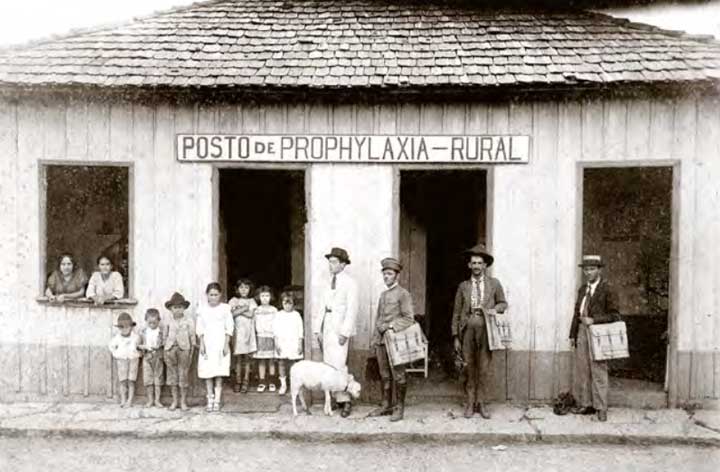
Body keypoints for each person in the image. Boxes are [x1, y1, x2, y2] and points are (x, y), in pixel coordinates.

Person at [452, 243, 508, 419]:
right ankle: (469, 403)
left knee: (483, 368)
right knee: (468, 367)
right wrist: (455, 336)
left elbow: (503, 303)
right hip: (467, 330)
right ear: (469, 265)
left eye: (479, 263)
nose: (476, 266)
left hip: (487, 331)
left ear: (485, 266)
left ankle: (481, 403)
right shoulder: (463, 286)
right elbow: (456, 312)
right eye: (473, 263)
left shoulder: (494, 284)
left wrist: (493, 310)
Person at [569, 255, 620, 422]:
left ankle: (601, 407)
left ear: (599, 270)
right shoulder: (583, 289)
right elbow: (577, 313)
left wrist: (594, 320)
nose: (588, 272)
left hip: (599, 332)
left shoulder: (607, 289)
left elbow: (615, 315)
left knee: (598, 370)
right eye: (586, 269)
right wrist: (573, 334)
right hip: (582, 332)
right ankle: (586, 404)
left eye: (592, 269)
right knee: (583, 370)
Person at [312, 247, 358, 418]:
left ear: (343, 264)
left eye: (334, 262)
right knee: (328, 364)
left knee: (339, 364)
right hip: (328, 326)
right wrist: (317, 330)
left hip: (340, 328)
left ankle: (345, 400)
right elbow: (321, 307)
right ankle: (333, 398)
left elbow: (352, 309)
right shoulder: (327, 282)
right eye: (329, 262)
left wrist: (345, 332)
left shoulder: (350, 283)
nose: (330, 265)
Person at [368, 257, 416, 422]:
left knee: (399, 375)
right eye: (384, 274)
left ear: (397, 276)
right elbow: (378, 319)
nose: (386, 277)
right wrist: (375, 339)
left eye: (389, 274)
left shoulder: (403, 294)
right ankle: (385, 405)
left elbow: (409, 318)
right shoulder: (383, 295)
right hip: (381, 342)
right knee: (384, 375)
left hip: (396, 342)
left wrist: (389, 326)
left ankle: (399, 408)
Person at [196, 282, 233, 412]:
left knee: (219, 372)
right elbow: (200, 328)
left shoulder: (225, 308)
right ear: (207, 295)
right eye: (211, 295)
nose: (213, 297)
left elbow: (229, 327)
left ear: (220, 295)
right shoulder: (202, 309)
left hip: (220, 342)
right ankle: (209, 399)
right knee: (208, 372)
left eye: (216, 295)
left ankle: (217, 400)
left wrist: (226, 344)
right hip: (208, 342)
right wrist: (202, 344)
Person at [163, 292, 196, 411]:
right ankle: (174, 401)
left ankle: (183, 401)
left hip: (184, 350)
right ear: (171, 309)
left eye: (180, 307)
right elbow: (165, 336)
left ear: (184, 308)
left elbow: (192, 336)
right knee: (172, 376)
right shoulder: (167, 321)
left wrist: (192, 349)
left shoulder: (189, 321)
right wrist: (165, 349)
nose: (177, 310)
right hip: (170, 349)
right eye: (175, 307)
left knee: (183, 375)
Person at [229, 278, 258, 393]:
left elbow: (251, 315)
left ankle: (246, 380)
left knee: (247, 359)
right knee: (237, 359)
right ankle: (238, 380)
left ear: (250, 289)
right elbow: (232, 314)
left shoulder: (252, 301)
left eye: (246, 287)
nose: (244, 290)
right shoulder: (233, 301)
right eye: (241, 287)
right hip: (237, 333)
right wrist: (244, 308)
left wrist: (240, 310)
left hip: (248, 333)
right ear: (237, 289)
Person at [273, 292, 304, 396]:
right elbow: (275, 330)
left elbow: (300, 330)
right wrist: (276, 343)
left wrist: (300, 344)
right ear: (281, 303)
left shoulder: (296, 315)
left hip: (293, 342)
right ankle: (283, 385)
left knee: (293, 364)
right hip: (282, 341)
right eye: (285, 303)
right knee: (281, 363)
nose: (287, 305)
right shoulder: (278, 314)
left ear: (293, 304)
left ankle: (294, 384)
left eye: (290, 303)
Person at [108, 312, 141, 408]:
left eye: (127, 327)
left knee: (131, 381)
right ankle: (123, 399)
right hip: (122, 360)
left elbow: (138, 347)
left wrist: (137, 353)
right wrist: (116, 354)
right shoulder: (117, 338)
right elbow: (111, 347)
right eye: (122, 327)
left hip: (133, 360)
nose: (125, 329)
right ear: (119, 328)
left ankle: (130, 400)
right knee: (123, 381)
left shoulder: (135, 337)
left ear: (131, 327)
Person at [253, 286, 278, 393]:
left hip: (271, 336)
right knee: (261, 360)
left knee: (271, 360)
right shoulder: (256, 310)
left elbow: (277, 324)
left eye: (267, 295)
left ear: (271, 297)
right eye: (262, 296)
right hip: (260, 336)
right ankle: (262, 381)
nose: (265, 298)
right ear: (258, 297)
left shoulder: (274, 310)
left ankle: (272, 381)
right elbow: (253, 323)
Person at [138, 308, 164, 408]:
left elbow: (164, 342)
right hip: (147, 357)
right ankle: (150, 400)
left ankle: (157, 400)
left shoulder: (161, 332)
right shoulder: (143, 332)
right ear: (146, 321)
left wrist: (159, 345)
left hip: (158, 357)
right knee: (148, 379)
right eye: (150, 323)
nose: (152, 324)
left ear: (158, 320)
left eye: (154, 322)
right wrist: (142, 347)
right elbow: (138, 344)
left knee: (158, 379)